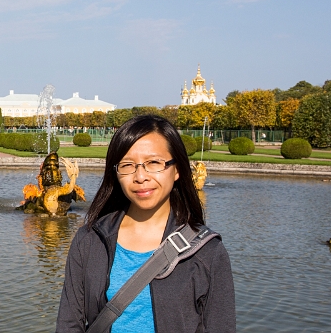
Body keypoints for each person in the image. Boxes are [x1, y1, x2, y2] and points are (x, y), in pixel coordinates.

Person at [56, 114, 235, 332]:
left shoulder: (207, 251)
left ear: (176, 169)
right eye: (128, 165)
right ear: (116, 173)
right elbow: (69, 324)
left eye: (153, 163)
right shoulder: (90, 241)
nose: (140, 176)